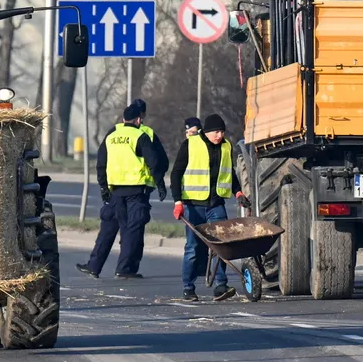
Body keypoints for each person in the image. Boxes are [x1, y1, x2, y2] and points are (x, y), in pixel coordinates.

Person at [76, 102, 167, 279]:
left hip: (115, 191)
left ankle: (94, 266)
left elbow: (101, 163)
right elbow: (157, 162)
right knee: (132, 229)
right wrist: (160, 184)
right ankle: (125, 268)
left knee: (108, 228)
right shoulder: (143, 134)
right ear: (140, 118)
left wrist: (103, 186)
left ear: (123, 118)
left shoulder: (112, 134)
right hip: (137, 191)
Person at [171, 114, 248, 302]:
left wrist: (237, 192)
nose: (219, 135)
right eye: (216, 132)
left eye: (222, 132)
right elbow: (176, 174)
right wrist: (178, 202)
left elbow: (229, 174)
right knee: (193, 247)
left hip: (215, 205)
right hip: (193, 205)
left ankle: (220, 285)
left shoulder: (226, 146)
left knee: (221, 245)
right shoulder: (190, 144)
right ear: (206, 131)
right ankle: (188, 288)